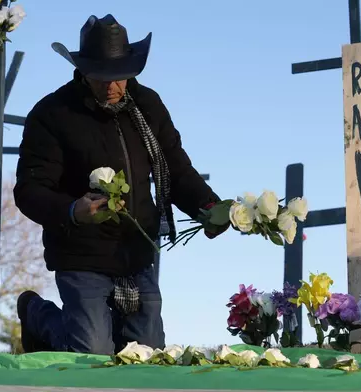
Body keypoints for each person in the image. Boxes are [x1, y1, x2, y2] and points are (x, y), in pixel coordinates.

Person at [14, 14, 225, 355]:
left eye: (119, 76)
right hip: (81, 251)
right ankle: (38, 315)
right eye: (101, 77)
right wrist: (73, 210)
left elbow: (177, 168)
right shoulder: (52, 114)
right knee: (93, 357)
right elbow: (29, 191)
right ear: (83, 70)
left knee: (146, 357)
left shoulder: (149, 105)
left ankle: (99, 326)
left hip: (138, 252)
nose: (111, 86)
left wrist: (210, 208)